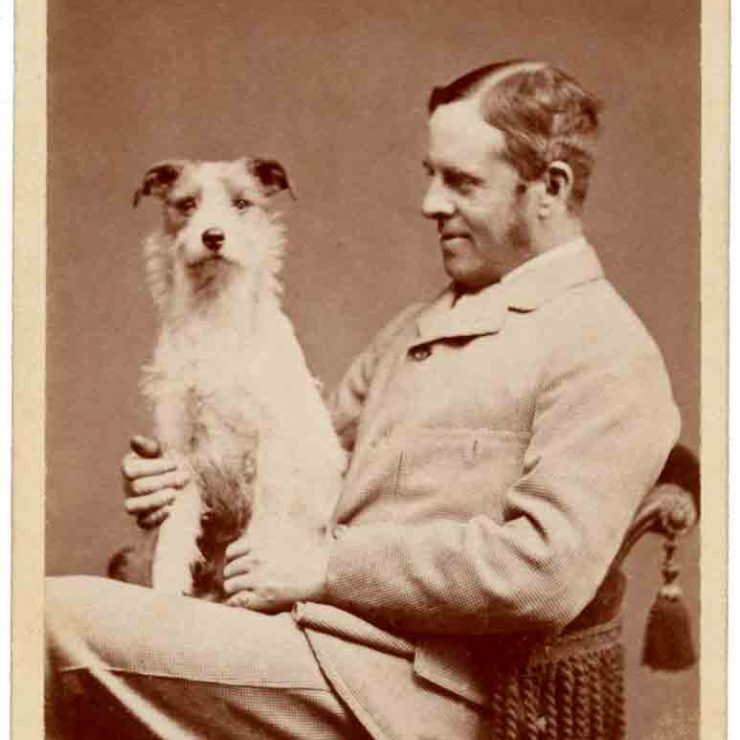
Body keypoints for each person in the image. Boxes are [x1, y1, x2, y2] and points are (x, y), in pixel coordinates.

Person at [46, 60, 680, 739]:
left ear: (550, 187)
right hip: (314, 640)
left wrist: (327, 567)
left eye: (462, 182)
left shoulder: (604, 347)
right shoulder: (414, 327)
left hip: (425, 689)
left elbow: (543, 571)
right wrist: (183, 478)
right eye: (431, 175)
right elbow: (300, 466)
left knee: (43, 621)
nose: (430, 203)